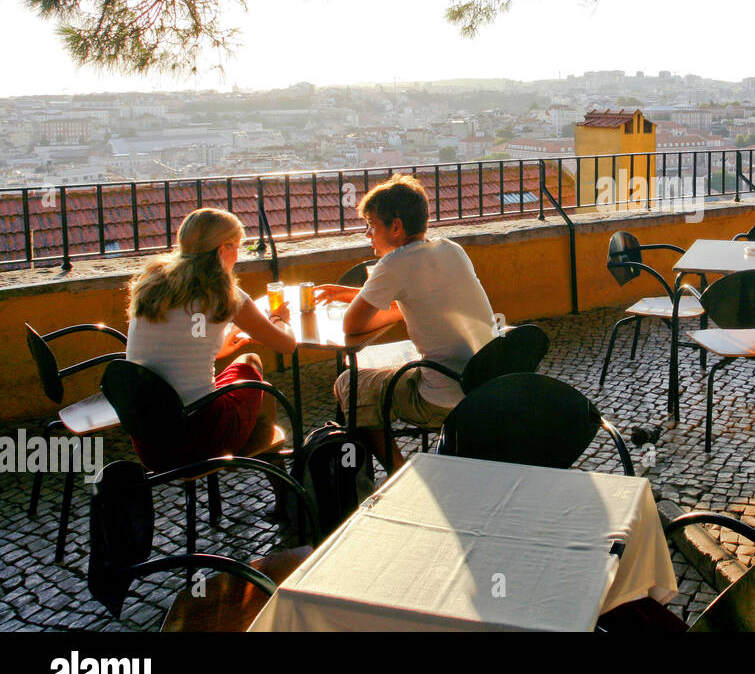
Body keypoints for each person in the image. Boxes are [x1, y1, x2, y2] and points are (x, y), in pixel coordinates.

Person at [314, 174, 497, 470]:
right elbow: (412, 302)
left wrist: (359, 301)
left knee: (350, 383)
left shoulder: (394, 263)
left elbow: (351, 326)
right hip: (484, 383)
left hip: (441, 398)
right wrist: (352, 294)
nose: (367, 235)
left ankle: (399, 474)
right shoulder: (451, 248)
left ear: (396, 226)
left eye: (371, 226)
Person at [125, 208, 297, 470]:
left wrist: (217, 346)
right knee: (252, 363)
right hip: (199, 438)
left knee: (242, 378)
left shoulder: (151, 285)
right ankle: (271, 468)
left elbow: (179, 345)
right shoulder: (224, 293)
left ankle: (256, 449)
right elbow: (286, 345)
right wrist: (278, 319)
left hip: (150, 443)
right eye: (236, 247)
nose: (237, 256)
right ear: (222, 249)